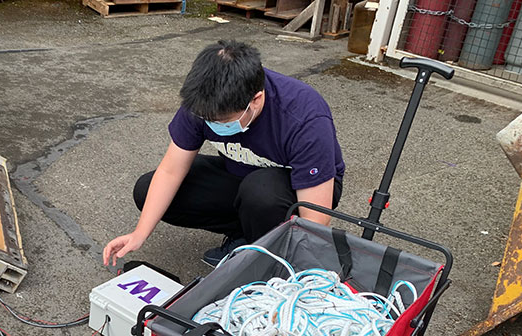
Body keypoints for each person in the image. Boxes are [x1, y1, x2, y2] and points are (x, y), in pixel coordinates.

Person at [103, 40, 345, 267]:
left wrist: (299, 269)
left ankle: (266, 256)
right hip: (242, 175)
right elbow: (171, 170)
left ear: (257, 99)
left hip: (301, 189)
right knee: (147, 190)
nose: (213, 125)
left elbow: (316, 218)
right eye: (207, 120)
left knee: (261, 192)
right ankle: (245, 235)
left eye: (222, 121)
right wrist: (139, 234)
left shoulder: (304, 116)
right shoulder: (204, 103)